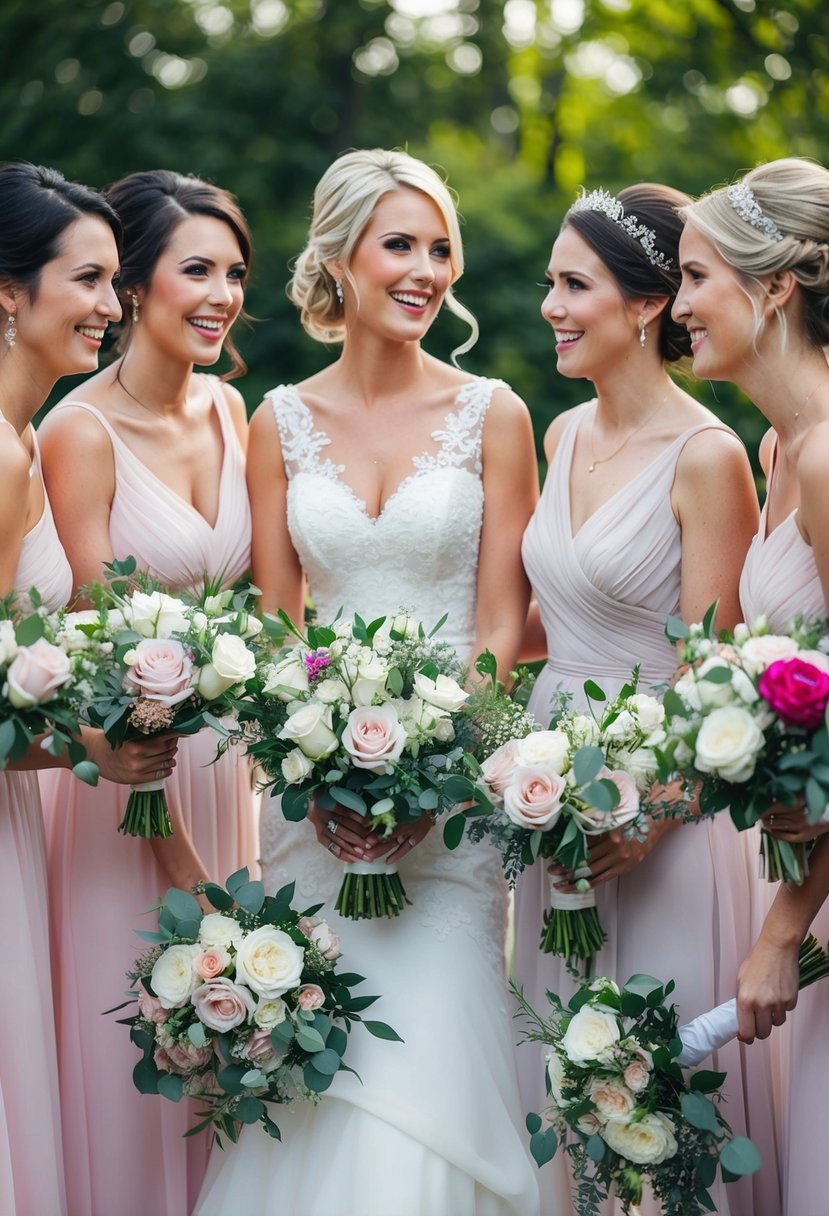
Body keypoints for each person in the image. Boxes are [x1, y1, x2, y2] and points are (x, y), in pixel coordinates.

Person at [194, 148, 541, 1216]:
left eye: (441, 248)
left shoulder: (495, 412)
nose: (427, 269)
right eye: (401, 244)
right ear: (338, 258)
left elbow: (499, 623)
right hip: (314, 818)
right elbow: (277, 626)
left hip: (454, 814)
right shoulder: (277, 421)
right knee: (326, 1074)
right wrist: (320, 775)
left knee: (434, 1064)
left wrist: (435, 775)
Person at [515, 183, 773, 1215]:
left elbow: (717, 679)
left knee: (654, 1100)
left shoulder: (708, 458)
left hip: (664, 818)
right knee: (558, 1073)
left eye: (573, 285)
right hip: (550, 802)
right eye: (548, 284)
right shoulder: (562, 433)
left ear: (647, 304)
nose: (550, 306)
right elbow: (549, 619)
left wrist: (646, 811)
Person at [37, 169, 258, 1216]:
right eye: (196, 270)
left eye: (234, 273)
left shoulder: (232, 408)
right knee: (133, 1056)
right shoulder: (78, 435)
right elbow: (90, 669)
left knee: (229, 1068)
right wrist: (178, 857)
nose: (221, 294)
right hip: (125, 791)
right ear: (130, 288)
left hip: (229, 779)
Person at [0, 163, 177, 1216]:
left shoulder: (25, 441)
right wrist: (83, 747)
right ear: (8, 292)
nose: (113, 307)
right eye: (89, 280)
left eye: (117, 282)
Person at [675, 156, 829, 1216]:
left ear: (773, 286)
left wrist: (782, 930)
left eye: (693, 277)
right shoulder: (776, 449)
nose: (676, 306)